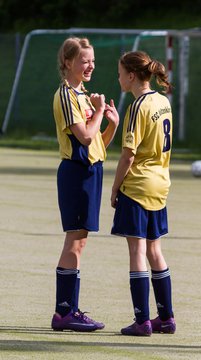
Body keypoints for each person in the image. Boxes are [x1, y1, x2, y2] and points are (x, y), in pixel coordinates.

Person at [51, 37, 119, 332]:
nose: (90, 65)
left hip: (91, 170)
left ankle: (69, 309)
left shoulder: (83, 95)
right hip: (76, 173)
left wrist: (111, 125)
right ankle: (64, 312)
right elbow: (85, 138)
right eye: (84, 60)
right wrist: (101, 111)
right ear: (67, 63)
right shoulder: (67, 95)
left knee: (80, 240)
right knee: (75, 241)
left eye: (92, 60)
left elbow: (97, 145)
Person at [110, 51, 176, 336]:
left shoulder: (137, 107)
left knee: (137, 251)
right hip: (160, 184)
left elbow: (128, 155)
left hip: (137, 186)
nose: (119, 78)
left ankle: (142, 321)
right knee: (154, 249)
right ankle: (167, 318)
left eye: (120, 72)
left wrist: (115, 188)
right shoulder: (163, 101)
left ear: (132, 75)